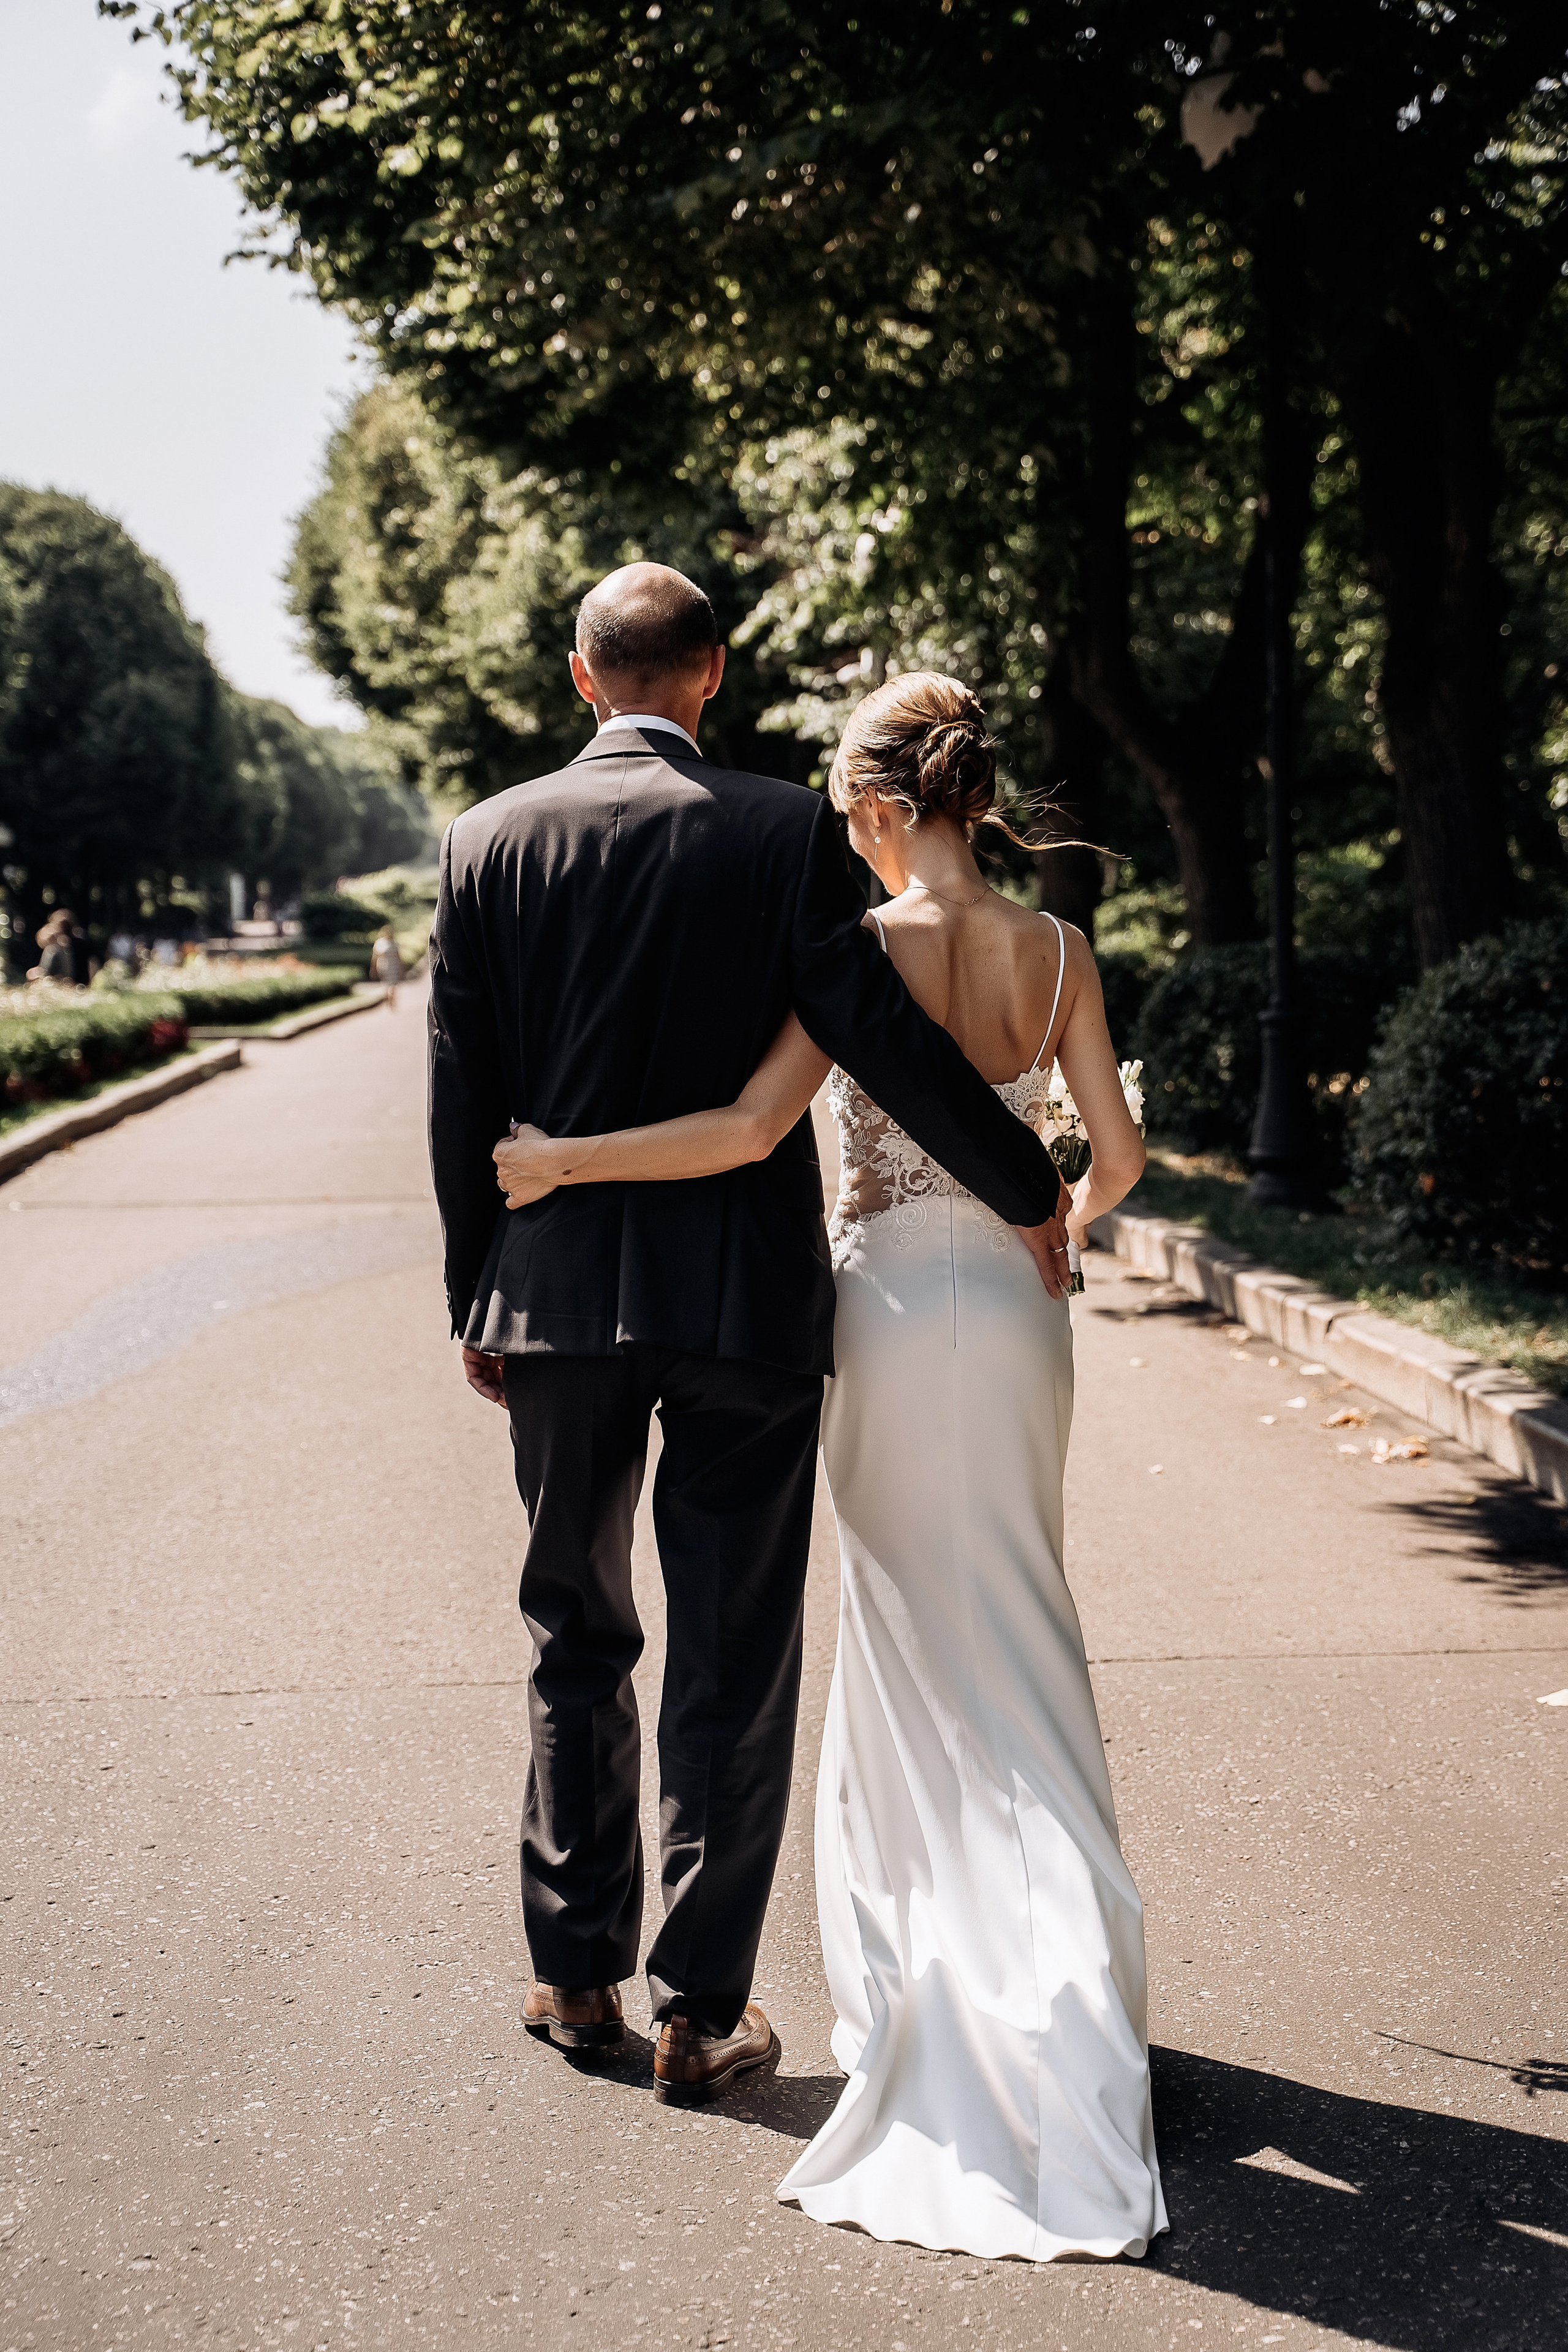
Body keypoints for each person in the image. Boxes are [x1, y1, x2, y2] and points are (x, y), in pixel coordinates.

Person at [493, 671, 1164, 2261]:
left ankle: (936, 1983)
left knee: (910, 1635)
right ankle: (1074, 1984)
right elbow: (1118, 1156)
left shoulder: (853, 952)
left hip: (871, 1306)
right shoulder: (1058, 948)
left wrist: (564, 1159)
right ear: (977, 793)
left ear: (873, 803)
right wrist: (1060, 1222)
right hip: (1015, 1307)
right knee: (1023, 1620)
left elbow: (741, 1131)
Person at [428, 568, 1071, 2110]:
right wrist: (1022, 1186)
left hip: (559, 1296)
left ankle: (570, 1964)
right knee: (730, 1645)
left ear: (579, 677)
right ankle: (697, 2006)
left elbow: (464, 1096)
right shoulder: (782, 826)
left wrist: (477, 1296)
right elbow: (877, 1032)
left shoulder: (485, 839)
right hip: (740, 1304)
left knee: (572, 1627)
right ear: (708, 674)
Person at [369, 923, 404, 1006]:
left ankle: (392, 998)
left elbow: (398, 956)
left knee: (393, 984)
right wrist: (373, 968)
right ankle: (388, 997)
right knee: (386, 983)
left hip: (393, 965)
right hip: (383, 965)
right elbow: (375, 957)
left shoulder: (394, 943)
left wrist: (401, 968)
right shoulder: (380, 943)